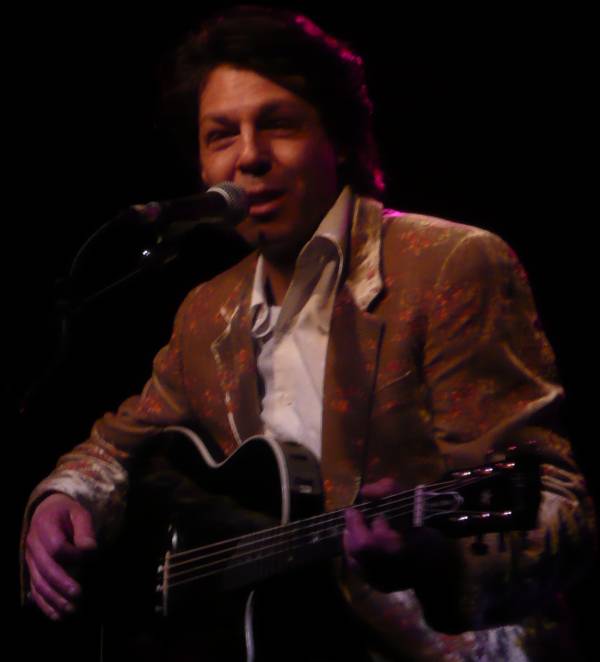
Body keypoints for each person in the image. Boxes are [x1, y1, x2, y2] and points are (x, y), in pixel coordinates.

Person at [22, 6, 595, 661]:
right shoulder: (208, 311)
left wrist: (436, 561)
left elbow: (558, 507)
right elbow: (118, 446)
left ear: (340, 138)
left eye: (278, 123)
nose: (250, 158)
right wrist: (63, 500)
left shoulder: (449, 266)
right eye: (221, 136)